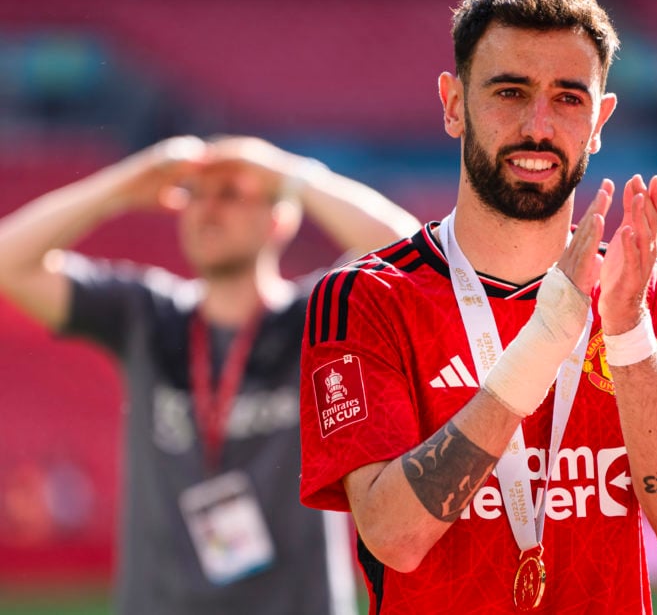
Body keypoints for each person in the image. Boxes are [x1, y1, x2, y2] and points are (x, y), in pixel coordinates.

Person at [298, 0, 657, 614]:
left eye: (568, 98)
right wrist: (545, 340)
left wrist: (629, 331)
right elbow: (393, 537)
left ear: (600, 118)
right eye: (509, 91)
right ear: (452, 103)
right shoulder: (366, 298)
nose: (537, 126)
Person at [0, 135, 420, 614]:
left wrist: (291, 174)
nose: (207, 210)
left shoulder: (316, 319)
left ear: (278, 219)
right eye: (195, 195)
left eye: (231, 194)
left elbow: (408, 254)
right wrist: (120, 187)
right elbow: (8, 262)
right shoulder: (147, 315)